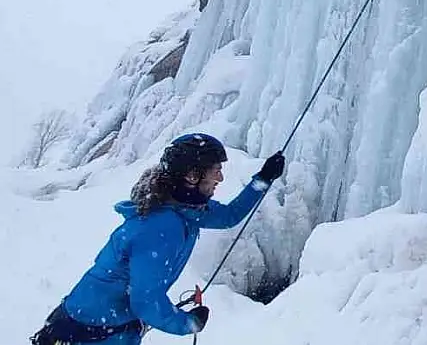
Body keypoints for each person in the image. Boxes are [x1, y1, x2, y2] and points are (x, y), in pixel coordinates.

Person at [30, 133, 286, 345]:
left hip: (103, 326)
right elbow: (145, 302)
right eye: (216, 170)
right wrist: (187, 324)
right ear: (192, 176)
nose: (220, 178)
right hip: (90, 334)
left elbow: (228, 216)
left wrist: (262, 180)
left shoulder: (184, 208)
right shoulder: (162, 228)